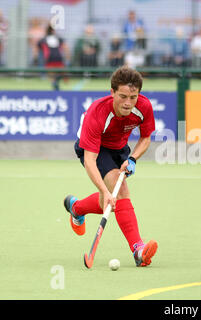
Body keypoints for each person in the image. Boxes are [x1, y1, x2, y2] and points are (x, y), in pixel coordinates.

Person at [63, 66, 158, 267]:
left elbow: (146, 137)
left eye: (133, 97)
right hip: (93, 148)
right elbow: (90, 159)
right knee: (118, 189)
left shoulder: (143, 106)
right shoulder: (97, 113)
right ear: (112, 92)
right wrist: (104, 190)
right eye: (122, 96)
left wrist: (133, 159)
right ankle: (138, 250)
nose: (128, 103)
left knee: (108, 200)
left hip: (120, 147)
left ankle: (77, 208)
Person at [37, 23, 70, 90]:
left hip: (49, 59)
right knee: (64, 74)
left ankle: (55, 85)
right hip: (58, 58)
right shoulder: (58, 38)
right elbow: (66, 47)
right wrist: (68, 56)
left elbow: (37, 49)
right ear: (53, 31)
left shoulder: (43, 39)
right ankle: (63, 86)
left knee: (52, 75)